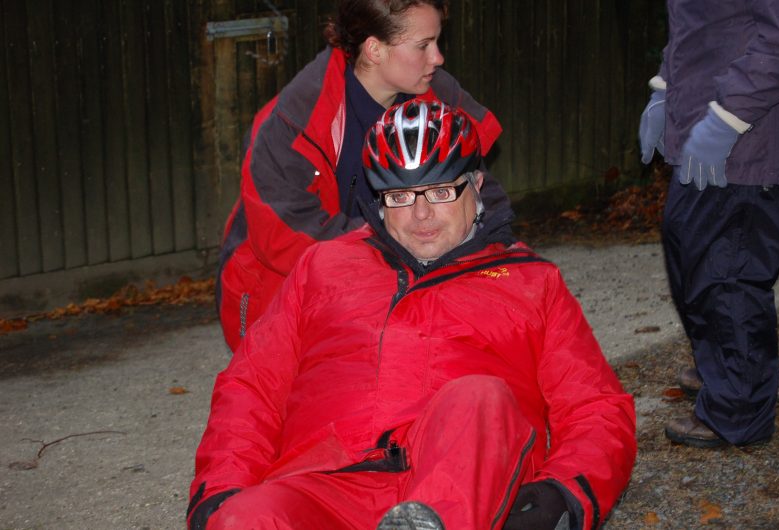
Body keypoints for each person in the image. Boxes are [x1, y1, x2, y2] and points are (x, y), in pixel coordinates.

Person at [188, 99, 637, 530]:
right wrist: (222, 491)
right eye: (401, 196)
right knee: (246, 516)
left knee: (478, 397)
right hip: (327, 485)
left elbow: (596, 408)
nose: (421, 215)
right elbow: (252, 387)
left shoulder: (531, 282)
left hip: (462, 487)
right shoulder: (323, 267)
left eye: (440, 191)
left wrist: (565, 493)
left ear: (476, 185)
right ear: (380, 199)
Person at [216, 0, 509, 352]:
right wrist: (401, 250)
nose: (438, 57)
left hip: (395, 279)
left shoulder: (435, 92)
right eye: (423, 45)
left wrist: (491, 268)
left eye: (437, 42)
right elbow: (286, 241)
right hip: (287, 296)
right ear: (374, 49)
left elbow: (481, 195)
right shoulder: (292, 124)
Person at [639, 0, 779, 447]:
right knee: (688, 250)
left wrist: (725, 121)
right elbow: (699, 29)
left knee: (726, 272)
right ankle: (725, 369)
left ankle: (739, 408)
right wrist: (664, 91)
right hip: (701, 125)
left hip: (744, 141)